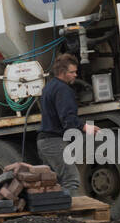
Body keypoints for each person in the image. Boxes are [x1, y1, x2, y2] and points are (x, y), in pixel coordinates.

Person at [37, 54, 96, 196]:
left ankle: (54, 214)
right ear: (62, 73)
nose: (75, 75)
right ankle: (69, 215)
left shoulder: (49, 87)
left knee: (53, 182)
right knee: (71, 179)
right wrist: (85, 127)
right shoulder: (63, 90)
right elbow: (68, 119)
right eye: (72, 72)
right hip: (53, 142)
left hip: (45, 141)